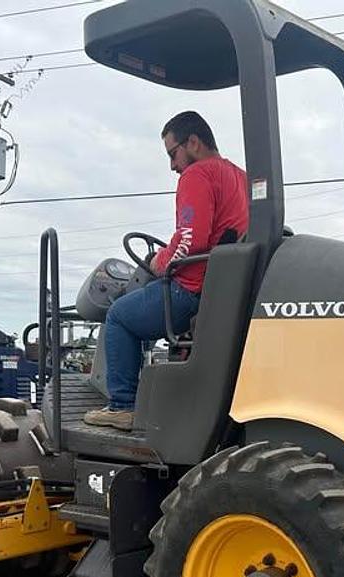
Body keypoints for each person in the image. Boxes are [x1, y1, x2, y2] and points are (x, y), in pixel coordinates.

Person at [84, 111, 249, 430]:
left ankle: (122, 406)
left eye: (173, 154)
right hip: (222, 289)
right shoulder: (239, 176)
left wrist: (160, 262)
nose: (173, 165)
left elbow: (191, 240)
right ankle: (148, 399)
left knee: (119, 315)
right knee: (138, 311)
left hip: (192, 288)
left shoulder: (198, 174)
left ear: (194, 142)